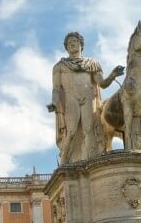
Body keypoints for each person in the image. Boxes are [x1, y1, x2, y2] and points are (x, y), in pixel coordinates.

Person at [48, 32, 124, 164]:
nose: (72, 43)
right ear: (66, 47)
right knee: (71, 131)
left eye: (75, 41)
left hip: (88, 98)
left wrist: (113, 75)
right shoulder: (59, 66)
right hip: (71, 99)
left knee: (89, 130)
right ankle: (64, 162)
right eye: (69, 42)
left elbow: (102, 83)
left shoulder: (92, 64)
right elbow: (56, 89)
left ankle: (90, 161)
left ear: (81, 44)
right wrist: (54, 103)